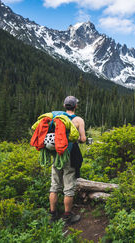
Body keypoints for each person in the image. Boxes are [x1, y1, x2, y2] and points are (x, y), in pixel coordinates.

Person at [49, 95, 86, 225]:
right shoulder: (78, 120)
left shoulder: (56, 118)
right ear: (75, 106)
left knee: (54, 186)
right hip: (69, 155)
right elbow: (83, 139)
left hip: (56, 154)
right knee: (69, 187)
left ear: (65, 106)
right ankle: (67, 217)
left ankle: (53, 215)